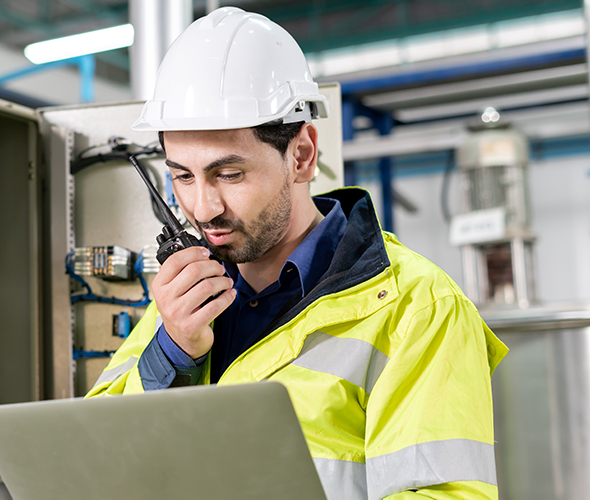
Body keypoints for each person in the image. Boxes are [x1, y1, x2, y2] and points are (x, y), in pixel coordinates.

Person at [86, 7, 507, 500]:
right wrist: (174, 352)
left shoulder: (418, 306)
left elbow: (446, 494)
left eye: (229, 174)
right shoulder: (181, 302)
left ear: (302, 154)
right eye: (183, 176)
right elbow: (98, 461)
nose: (203, 207)